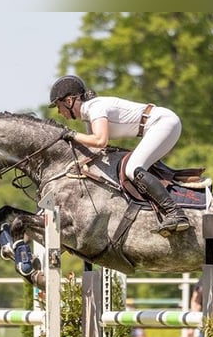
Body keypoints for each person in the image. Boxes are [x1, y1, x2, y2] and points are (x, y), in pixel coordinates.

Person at [48, 74, 189, 237]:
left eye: (59, 106)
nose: (59, 112)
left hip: (163, 123)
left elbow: (101, 141)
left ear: (69, 101)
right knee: (131, 167)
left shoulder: (95, 107)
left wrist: (71, 134)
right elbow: (95, 150)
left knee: (133, 168)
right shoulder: (88, 117)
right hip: (155, 126)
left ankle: (175, 213)